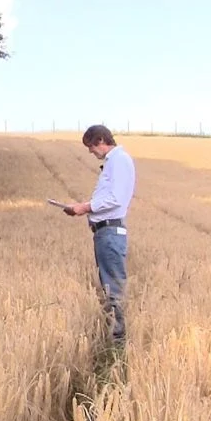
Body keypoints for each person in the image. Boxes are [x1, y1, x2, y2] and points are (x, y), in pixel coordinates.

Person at [62, 125, 136, 352]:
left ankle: (118, 344)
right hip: (105, 233)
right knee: (109, 288)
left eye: (91, 146)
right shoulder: (114, 162)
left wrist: (85, 207)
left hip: (111, 234)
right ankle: (114, 338)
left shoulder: (119, 160)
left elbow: (115, 198)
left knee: (114, 289)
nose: (91, 152)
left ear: (101, 140)